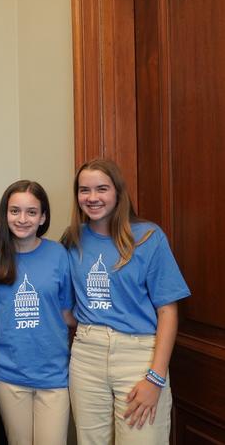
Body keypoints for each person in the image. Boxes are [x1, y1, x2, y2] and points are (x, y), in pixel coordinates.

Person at [61, 158, 191, 444]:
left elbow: (168, 311)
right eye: (84, 190)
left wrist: (155, 378)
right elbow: (67, 307)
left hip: (138, 355)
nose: (92, 198)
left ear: (118, 192)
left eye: (102, 189)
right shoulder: (72, 240)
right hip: (86, 355)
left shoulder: (148, 237)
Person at [0, 180, 75, 445]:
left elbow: (67, 314)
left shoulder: (58, 254)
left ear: (43, 217)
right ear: (5, 214)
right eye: (15, 211)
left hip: (54, 373)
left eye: (31, 212)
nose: (22, 219)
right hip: (9, 373)